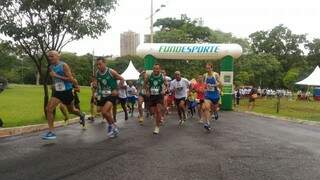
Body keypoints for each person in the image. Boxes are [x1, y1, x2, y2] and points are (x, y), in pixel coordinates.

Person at [43, 50, 85, 140]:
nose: (50, 58)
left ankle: (81, 115)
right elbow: (54, 79)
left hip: (67, 91)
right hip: (58, 92)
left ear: (58, 56)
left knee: (71, 110)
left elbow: (70, 79)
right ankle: (51, 132)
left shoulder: (63, 65)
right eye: (49, 56)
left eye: (52, 56)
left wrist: (56, 76)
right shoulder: (50, 67)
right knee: (49, 109)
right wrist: (54, 84)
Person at [93, 57, 124, 138]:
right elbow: (96, 82)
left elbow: (122, 79)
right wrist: (95, 87)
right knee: (102, 111)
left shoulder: (111, 72)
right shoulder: (97, 73)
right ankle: (112, 125)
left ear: (105, 63)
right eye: (97, 65)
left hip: (112, 95)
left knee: (104, 112)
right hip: (102, 95)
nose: (99, 66)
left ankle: (112, 127)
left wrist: (117, 90)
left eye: (100, 64)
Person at [145, 64, 166, 134]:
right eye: (154, 68)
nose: (156, 70)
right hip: (152, 96)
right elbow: (146, 84)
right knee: (153, 111)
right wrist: (147, 91)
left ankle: (157, 127)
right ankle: (159, 118)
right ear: (153, 69)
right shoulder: (149, 76)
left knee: (158, 110)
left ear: (159, 69)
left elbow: (165, 84)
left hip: (159, 95)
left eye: (157, 69)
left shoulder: (162, 76)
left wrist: (163, 90)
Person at [201, 63, 222, 132]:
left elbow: (221, 83)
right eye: (206, 68)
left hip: (215, 95)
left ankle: (215, 113)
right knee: (206, 108)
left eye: (209, 68)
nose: (208, 69)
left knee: (214, 109)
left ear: (212, 68)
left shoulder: (215, 74)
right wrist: (204, 88)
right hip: (208, 95)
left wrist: (213, 85)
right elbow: (203, 84)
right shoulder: (205, 75)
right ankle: (208, 123)